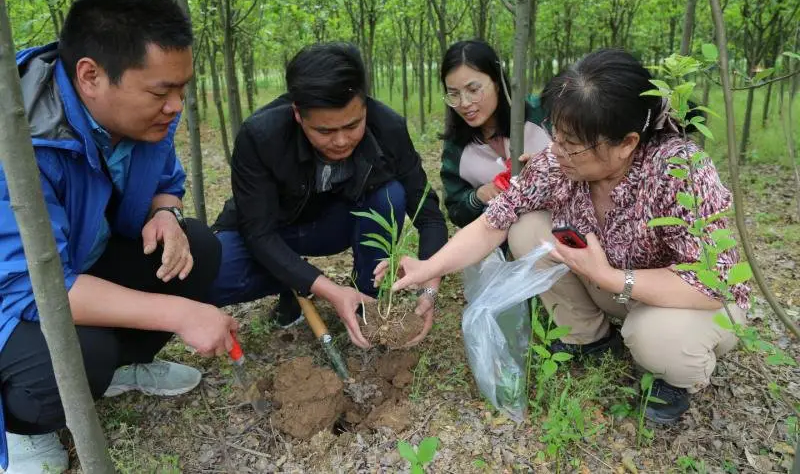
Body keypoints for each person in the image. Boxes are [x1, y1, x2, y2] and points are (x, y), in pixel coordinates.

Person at [377, 49, 750, 425]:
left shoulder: (679, 171)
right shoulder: (557, 163)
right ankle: (589, 338)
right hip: (613, 283)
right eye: (556, 134)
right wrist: (429, 266)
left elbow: (712, 280)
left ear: (627, 143)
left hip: (689, 303)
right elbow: (494, 222)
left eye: (573, 144)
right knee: (526, 227)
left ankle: (674, 379)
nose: (556, 151)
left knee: (655, 337)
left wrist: (610, 278)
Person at [0, 0, 238, 473]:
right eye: (161, 91)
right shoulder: (18, 145)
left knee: (196, 247)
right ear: (90, 75)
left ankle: (123, 369)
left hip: (84, 260)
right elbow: (33, 287)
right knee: (82, 350)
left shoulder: (145, 116)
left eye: (182, 89)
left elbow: (166, 179)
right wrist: (181, 315)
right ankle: (24, 428)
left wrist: (166, 213)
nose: (176, 106)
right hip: (13, 300)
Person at [210, 43, 448, 348]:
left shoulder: (388, 127)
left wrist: (429, 286)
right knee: (215, 276)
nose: (340, 141)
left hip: (331, 225)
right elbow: (260, 233)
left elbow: (427, 214)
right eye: (324, 131)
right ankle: (294, 284)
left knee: (390, 195)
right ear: (298, 114)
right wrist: (328, 289)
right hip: (273, 228)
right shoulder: (261, 136)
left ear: (364, 105)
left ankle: (366, 299)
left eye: (353, 125)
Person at [439, 40, 550, 228]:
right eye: (454, 94)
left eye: (473, 90)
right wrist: (478, 196)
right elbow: (456, 210)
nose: (464, 103)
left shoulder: (542, 114)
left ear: (497, 83)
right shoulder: (456, 147)